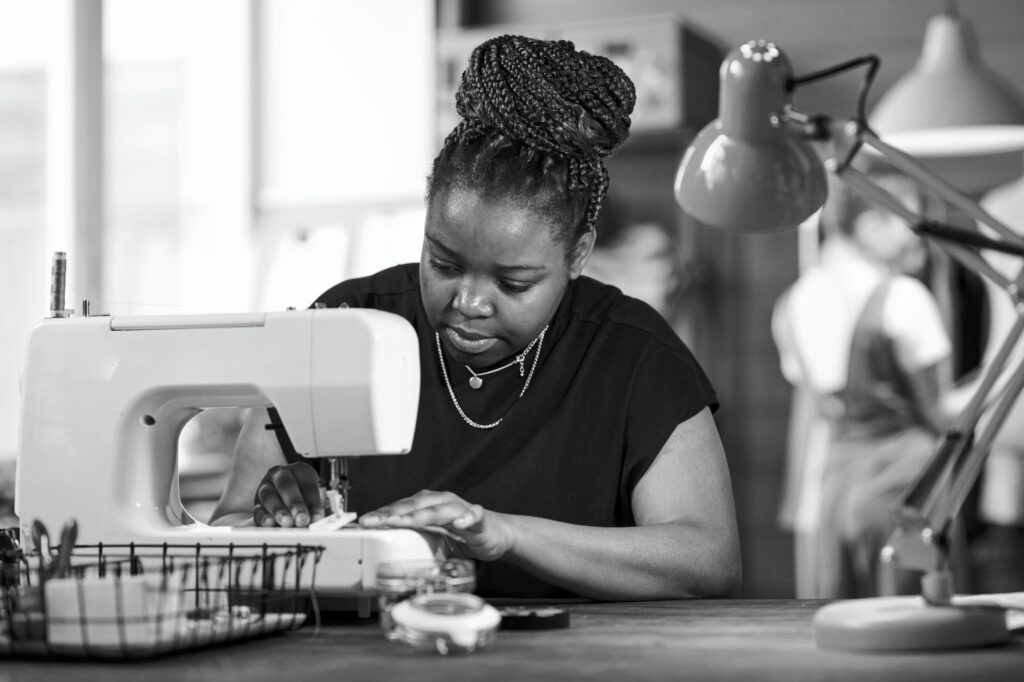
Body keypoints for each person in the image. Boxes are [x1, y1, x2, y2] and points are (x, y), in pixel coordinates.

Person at [209, 35, 740, 601]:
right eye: (443, 263)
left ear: (578, 253)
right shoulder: (343, 323)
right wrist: (275, 520)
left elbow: (708, 562)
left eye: (513, 284)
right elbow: (229, 527)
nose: (469, 302)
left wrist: (506, 535)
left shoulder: (635, 356)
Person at [771, 167, 953, 599]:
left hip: (836, 483)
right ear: (872, 226)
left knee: (845, 612)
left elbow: (820, 397)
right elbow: (940, 411)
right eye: (909, 222)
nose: (917, 236)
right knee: (914, 611)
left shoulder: (793, 302)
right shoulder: (906, 297)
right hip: (906, 486)